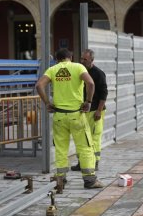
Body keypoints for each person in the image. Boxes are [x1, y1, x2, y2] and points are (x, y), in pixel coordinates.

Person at [35, 48, 103, 192]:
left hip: (59, 117)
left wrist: (47, 103)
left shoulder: (53, 69)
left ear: (57, 59)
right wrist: (88, 102)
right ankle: (90, 180)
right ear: (70, 57)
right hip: (76, 116)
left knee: (61, 148)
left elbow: (39, 85)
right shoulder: (78, 67)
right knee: (85, 147)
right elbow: (91, 84)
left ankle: (60, 178)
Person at [71, 49, 108, 172]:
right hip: (83, 111)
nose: (82, 61)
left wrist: (99, 110)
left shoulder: (98, 74)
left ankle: (95, 162)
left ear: (92, 60)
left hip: (95, 111)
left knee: (94, 138)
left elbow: (104, 94)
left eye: (85, 59)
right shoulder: (79, 72)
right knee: (81, 137)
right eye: (81, 59)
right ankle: (81, 163)